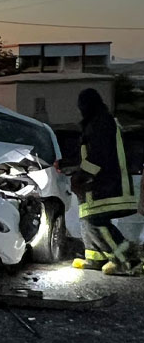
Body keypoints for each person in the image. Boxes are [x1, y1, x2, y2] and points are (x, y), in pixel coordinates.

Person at [70, 88, 141, 276]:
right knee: (88, 219)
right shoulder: (97, 122)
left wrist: (81, 175)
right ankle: (95, 258)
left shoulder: (101, 123)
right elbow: (88, 154)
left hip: (106, 184)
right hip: (97, 184)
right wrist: (69, 166)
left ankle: (128, 261)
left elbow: (99, 155)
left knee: (97, 220)